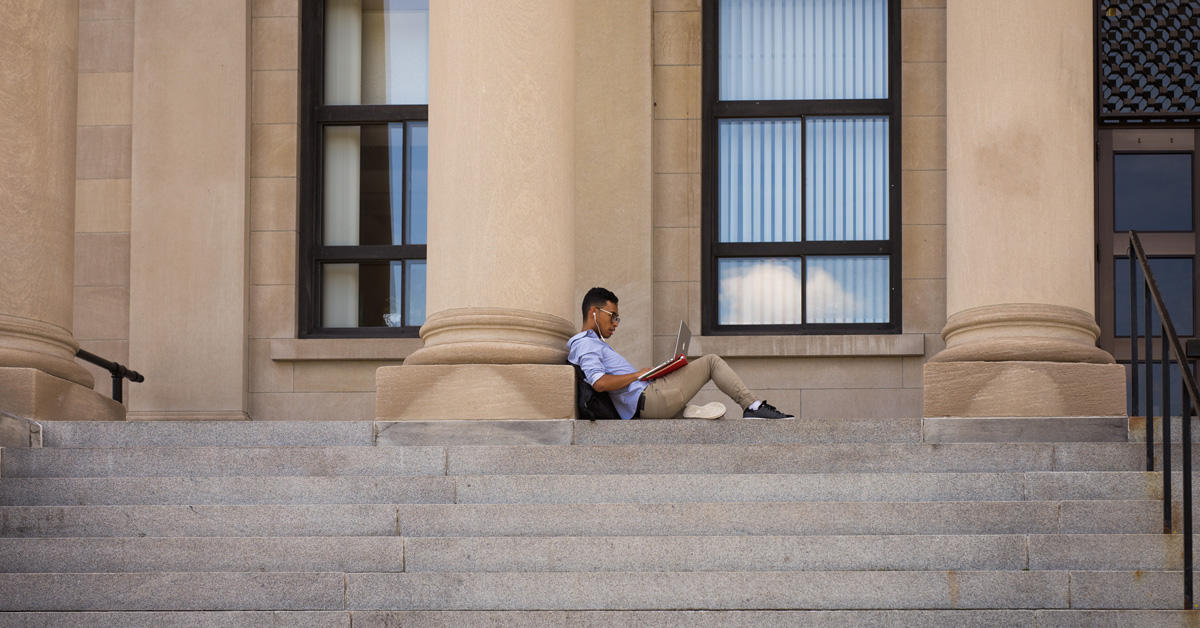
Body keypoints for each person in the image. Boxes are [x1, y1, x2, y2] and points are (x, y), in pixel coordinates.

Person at [567, 287, 794, 420]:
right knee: (711, 362)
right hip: (648, 400)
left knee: (707, 409)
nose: (616, 323)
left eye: (618, 318)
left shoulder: (594, 343)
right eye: (612, 316)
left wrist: (653, 374)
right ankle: (752, 407)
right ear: (594, 312)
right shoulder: (585, 344)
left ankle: (688, 411)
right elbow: (599, 383)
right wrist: (638, 375)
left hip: (647, 397)